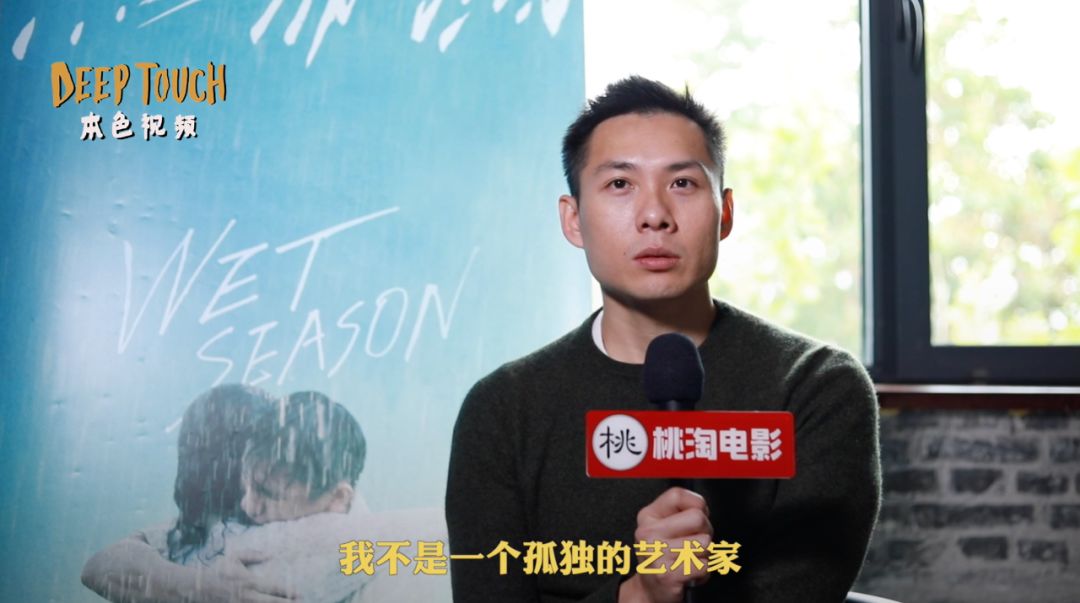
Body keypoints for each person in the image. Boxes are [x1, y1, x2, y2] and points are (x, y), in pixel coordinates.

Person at [445, 76, 881, 603]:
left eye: (682, 183)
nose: (654, 215)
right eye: (619, 184)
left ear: (725, 213)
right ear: (573, 219)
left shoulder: (816, 386)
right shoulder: (502, 409)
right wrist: (639, 595)